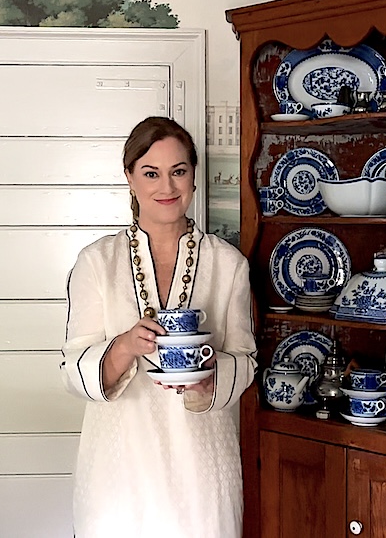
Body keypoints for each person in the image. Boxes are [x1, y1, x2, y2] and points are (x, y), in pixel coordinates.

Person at [61, 116, 257, 537]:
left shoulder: (227, 264)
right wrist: (124, 347)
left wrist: (209, 381)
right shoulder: (97, 263)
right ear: (130, 178)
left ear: (193, 178)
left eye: (178, 172)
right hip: (117, 472)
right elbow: (74, 369)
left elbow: (245, 361)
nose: (166, 188)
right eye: (151, 173)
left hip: (202, 471)